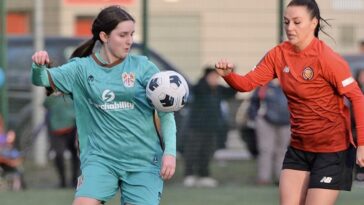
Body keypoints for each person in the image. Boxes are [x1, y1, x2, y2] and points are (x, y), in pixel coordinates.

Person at [215, 0, 364, 204]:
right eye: (286, 22)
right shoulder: (279, 55)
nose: (290, 28)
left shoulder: (328, 58)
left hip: (331, 151)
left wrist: (362, 144)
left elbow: (357, 97)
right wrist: (229, 75)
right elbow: (247, 83)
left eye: (297, 22)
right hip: (299, 148)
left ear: (314, 23)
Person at [31, 5, 176, 205]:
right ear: (104, 36)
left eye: (132, 34)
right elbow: (42, 79)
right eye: (123, 35)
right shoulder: (81, 69)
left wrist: (169, 153)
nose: (129, 41)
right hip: (101, 161)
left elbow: (167, 114)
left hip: (143, 162)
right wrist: (38, 65)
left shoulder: (143, 68)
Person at [183, 67, 236, 188]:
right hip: (196, 127)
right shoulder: (200, 88)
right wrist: (205, 81)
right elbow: (195, 89)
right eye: (212, 76)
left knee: (207, 152)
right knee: (192, 151)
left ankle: (204, 175)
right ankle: (189, 175)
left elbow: (233, 91)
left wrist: (230, 75)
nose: (215, 79)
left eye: (216, 77)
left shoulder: (218, 90)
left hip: (212, 128)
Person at [247, 80, 290, 185]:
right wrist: (255, 117)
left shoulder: (290, 84)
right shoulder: (264, 86)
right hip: (266, 121)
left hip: (286, 122)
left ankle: (281, 178)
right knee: (266, 149)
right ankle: (264, 178)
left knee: (282, 151)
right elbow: (254, 103)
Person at [43, 92, 80, 188]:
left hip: (73, 128)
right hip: (57, 130)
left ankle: (75, 180)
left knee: (76, 154)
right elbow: (45, 103)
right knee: (59, 154)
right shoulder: (53, 95)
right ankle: (63, 181)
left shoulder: (72, 94)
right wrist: (54, 95)